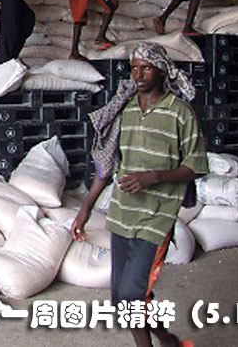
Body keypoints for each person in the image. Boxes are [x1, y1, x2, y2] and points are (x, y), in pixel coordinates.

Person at [72, 42, 207, 347]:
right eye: (134, 68)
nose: (138, 75)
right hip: (122, 214)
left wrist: (153, 177)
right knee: (123, 300)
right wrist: (85, 210)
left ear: (162, 70)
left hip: (156, 217)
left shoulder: (180, 113)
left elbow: (196, 165)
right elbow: (106, 165)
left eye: (146, 68)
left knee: (133, 296)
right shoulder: (126, 109)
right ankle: (168, 339)